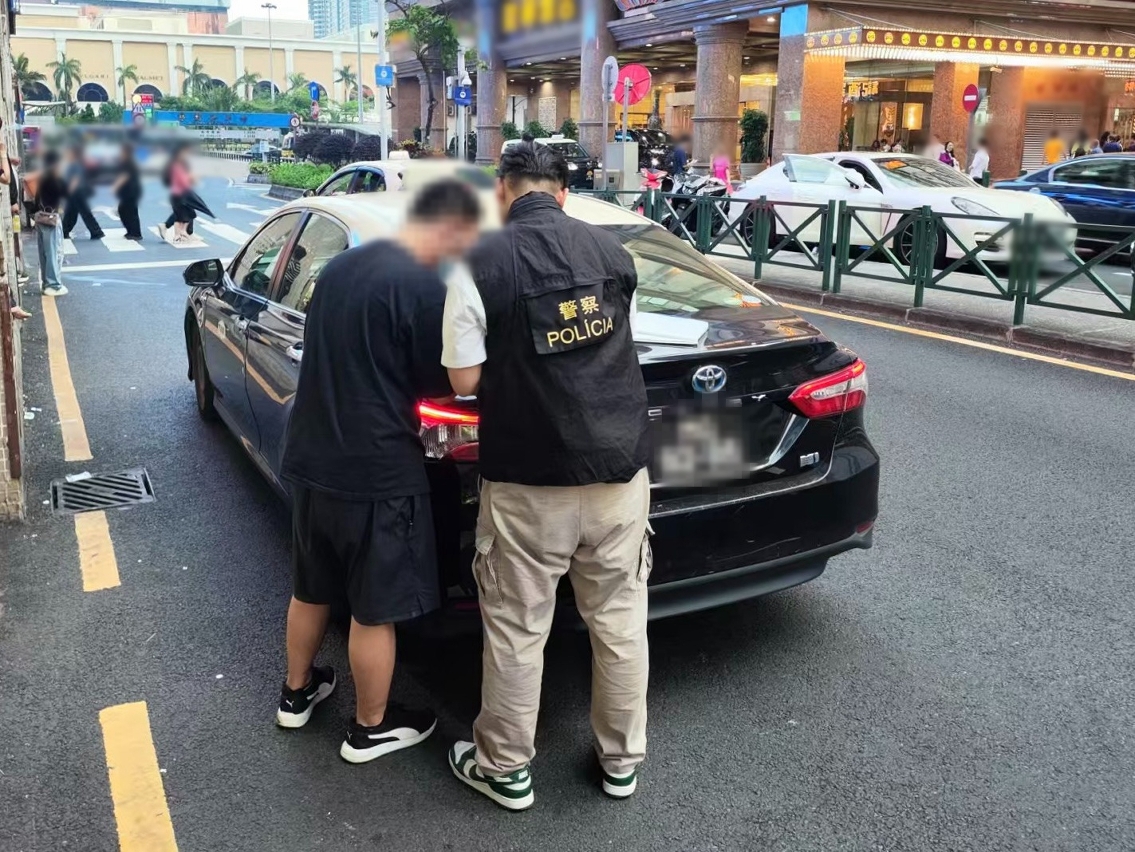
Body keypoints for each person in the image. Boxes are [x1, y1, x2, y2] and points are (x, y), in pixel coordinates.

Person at [443, 142, 652, 810]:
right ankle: (621, 762)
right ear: (563, 193)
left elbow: (463, 379)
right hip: (618, 473)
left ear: (501, 191)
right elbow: (612, 344)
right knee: (620, 621)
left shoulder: (477, 262)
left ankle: (504, 767)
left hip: (529, 480)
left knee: (517, 625)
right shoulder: (612, 252)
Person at [275, 179, 482, 763]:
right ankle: (370, 727)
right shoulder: (428, 286)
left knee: (311, 586)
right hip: (378, 470)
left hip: (311, 456)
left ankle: (296, 694)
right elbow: (442, 385)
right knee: (374, 608)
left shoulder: (341, 265)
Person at [33, 149, 67, 297]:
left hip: (41, 217)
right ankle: (53, 284)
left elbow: (36, 199)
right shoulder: (55, 179)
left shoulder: (43, 177)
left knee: (45, 253)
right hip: (51, 219)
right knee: (53, 252)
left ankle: (47, 282)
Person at [61, 143, 104, 241]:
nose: (66, 154)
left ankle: (97, 231)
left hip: (77, 192)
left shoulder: (75, 164)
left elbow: (76, 179)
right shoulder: (73, 163)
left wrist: (69, 191)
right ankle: (64, 231)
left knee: (83, 213)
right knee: (71, 213)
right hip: (77, 192)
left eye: (68, 153)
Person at [159, 144, 195, 242]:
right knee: (184, 214)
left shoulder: (178, 163)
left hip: (180, 192)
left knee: (183, 213)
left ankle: (181, 234)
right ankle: (179, 233)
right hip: (181, 193)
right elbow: (183, 180)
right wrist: (191, 178)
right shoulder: (178, 164)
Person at [114, 143, 143, 241]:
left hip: (131, 191)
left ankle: (135, 233)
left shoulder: (128, 163)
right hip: (129, 191)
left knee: (129, 212)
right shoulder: (127, 162)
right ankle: (131, 231)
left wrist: (115, 187)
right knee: (125, 210)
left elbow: (124, 177)